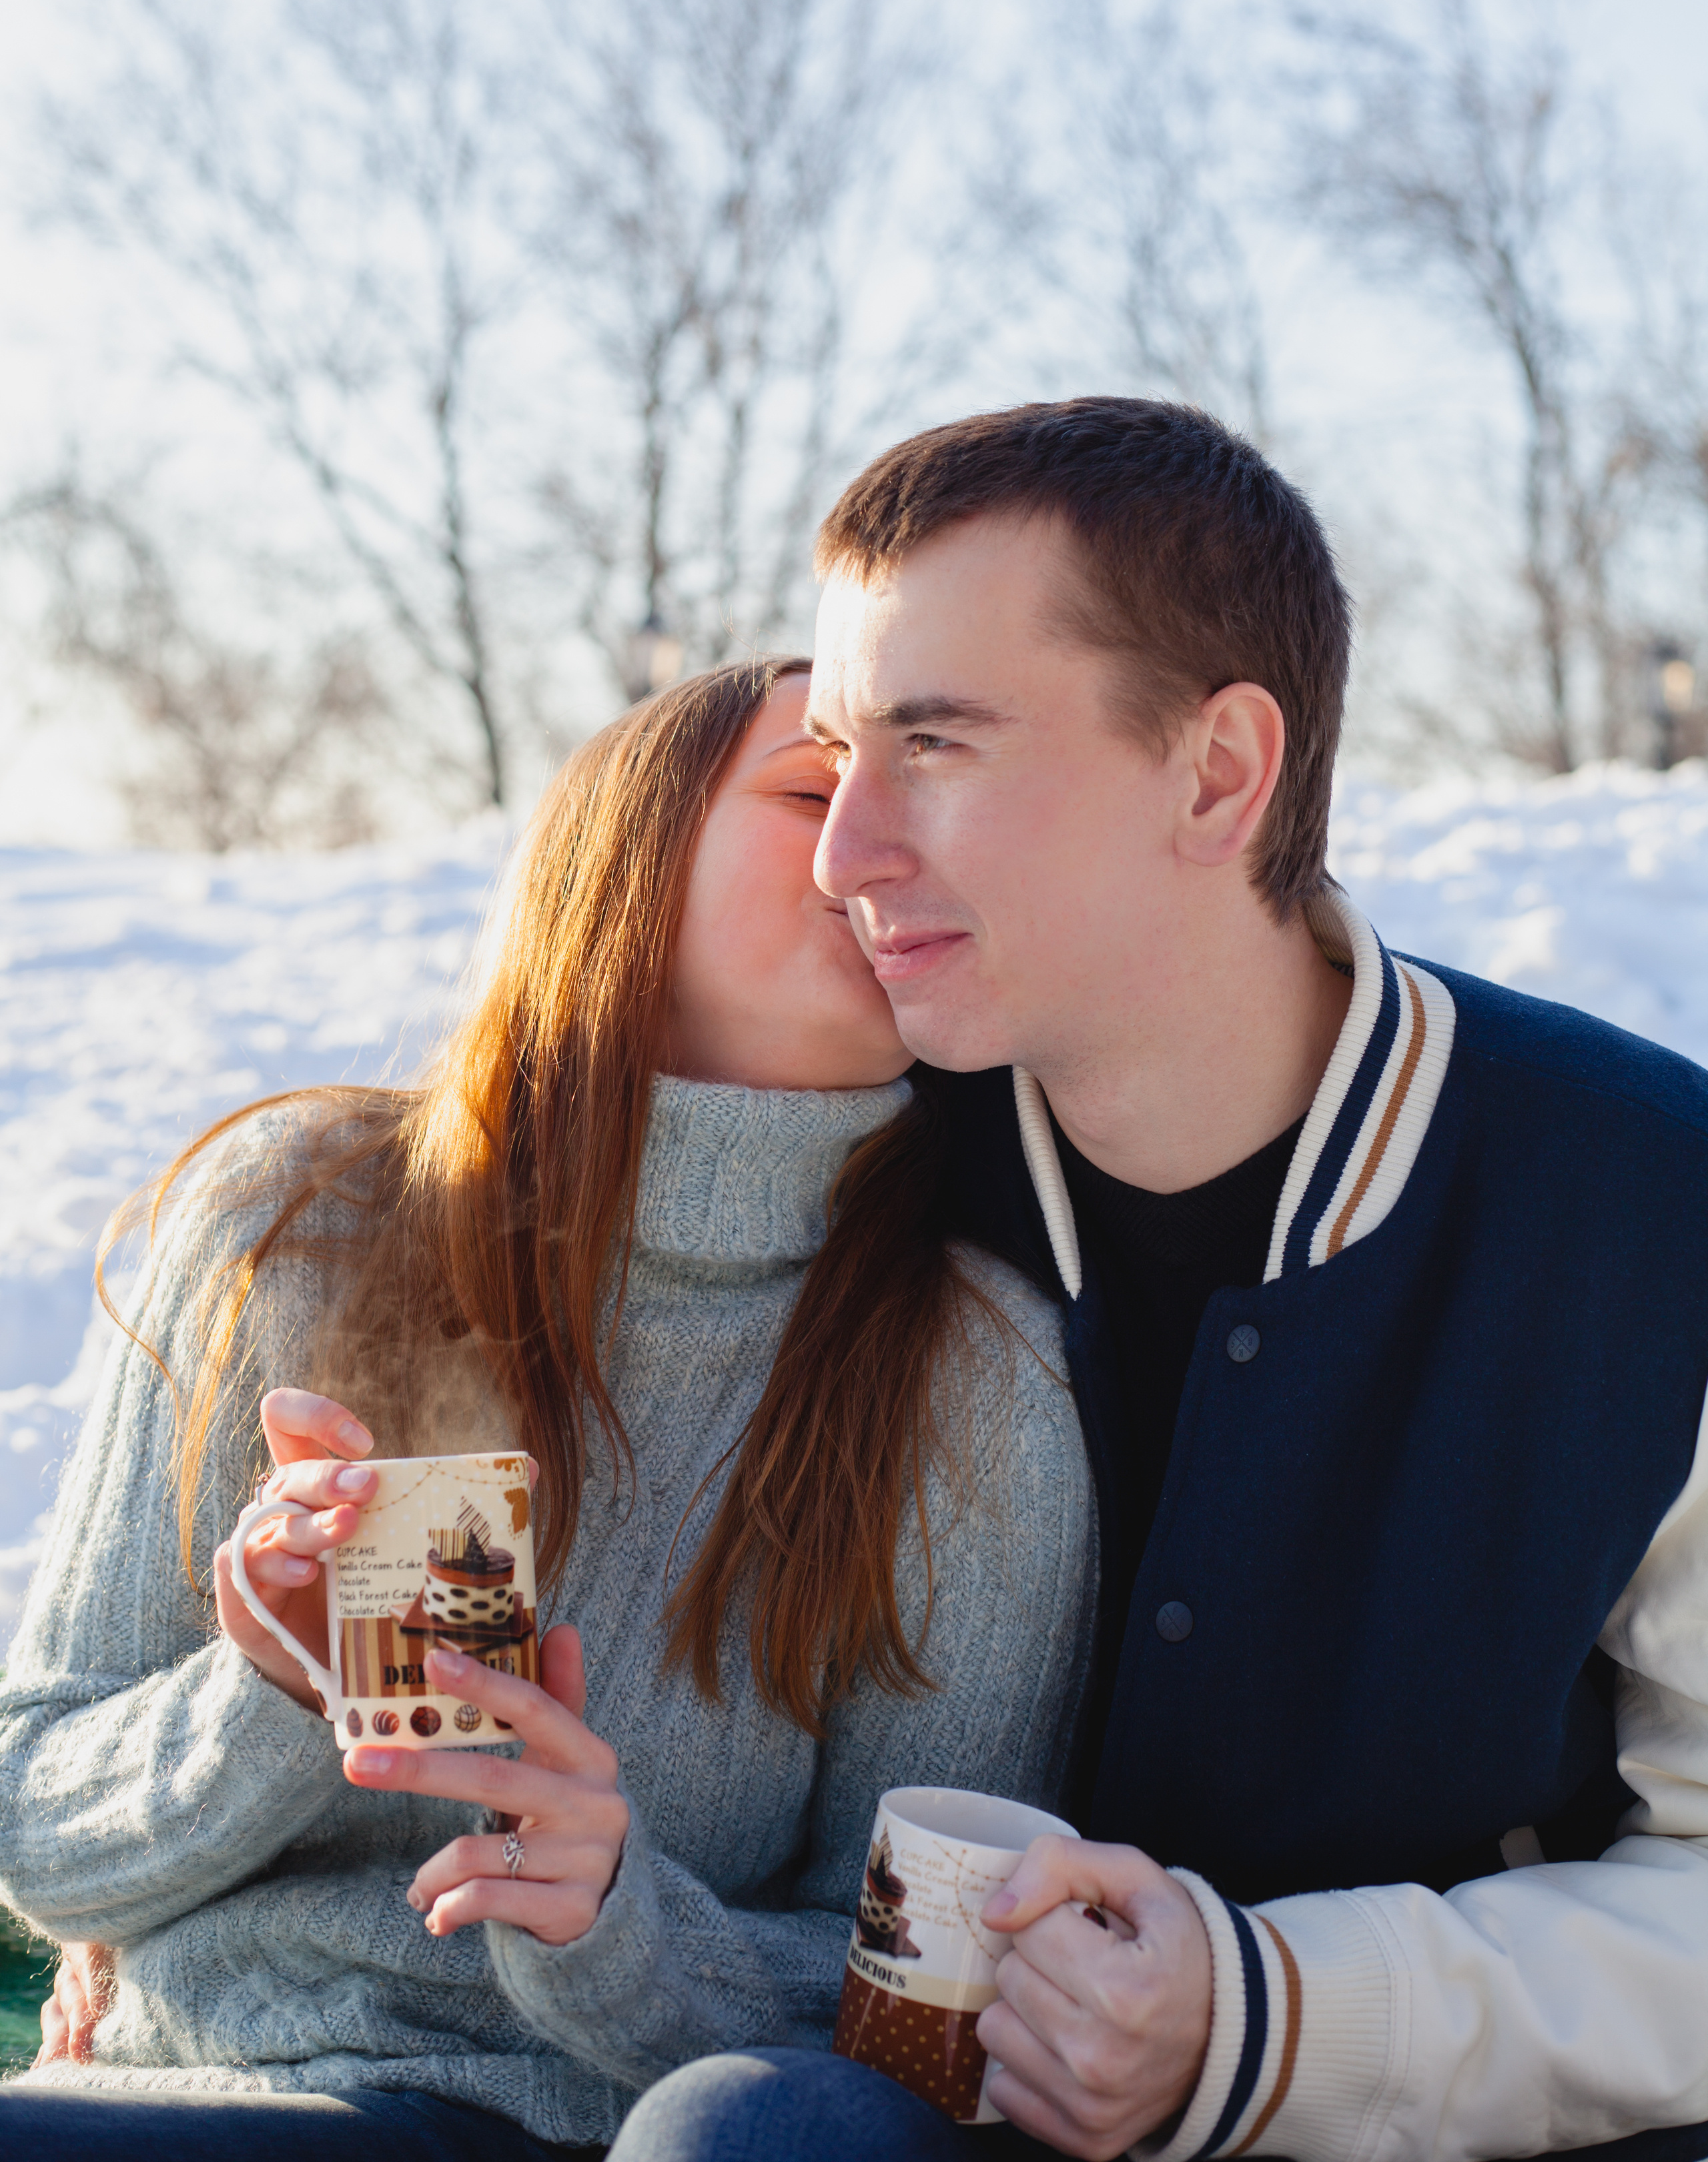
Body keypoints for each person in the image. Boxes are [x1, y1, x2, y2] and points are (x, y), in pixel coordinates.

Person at [609, 400, 1708, 2162]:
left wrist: (1270, 2013)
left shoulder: (1652, 1206)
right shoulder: (868, 1156)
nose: (845, 851)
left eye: (938, 746)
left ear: (1216, 775)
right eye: (834, 758)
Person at [0, 658, 1096, 2157]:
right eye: (811, 785)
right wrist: (257, 1693)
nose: (871, 841)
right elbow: (35, 1834)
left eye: (930, 795)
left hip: (599, 2125)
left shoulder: (969, 1371)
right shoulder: (301, 1230)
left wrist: (617, 1917)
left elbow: (932, 2002)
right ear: (628, 851)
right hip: (199, 2095)